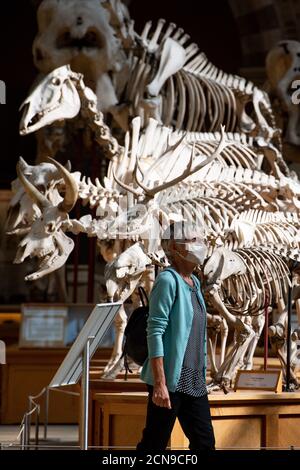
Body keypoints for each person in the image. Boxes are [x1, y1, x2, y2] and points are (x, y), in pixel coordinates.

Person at [136, 222, 215, 452]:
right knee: (154, 445)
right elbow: (155, 331)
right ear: (174, 247)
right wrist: (160, 384)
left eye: (201, 239)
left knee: (205, 444)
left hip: (194, 381)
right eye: (193, 240)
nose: (201, 245)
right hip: (170, 381)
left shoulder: (195, 283)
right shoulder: (168, 280)